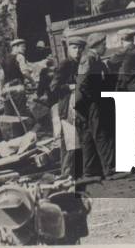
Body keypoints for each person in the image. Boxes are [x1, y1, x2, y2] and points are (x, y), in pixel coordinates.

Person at [76, 32, 115, 178]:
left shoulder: (93, 57)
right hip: (89, 102)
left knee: (88, 135)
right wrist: (94, 99)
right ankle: (110, 169)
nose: (105, 47)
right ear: (97, 45)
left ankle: (90, 171)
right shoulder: (89, 58)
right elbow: (84, 81)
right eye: (104, 45)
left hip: (86, 102)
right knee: (101, 133)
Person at [50, 37, 85, 177]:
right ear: (68, 49)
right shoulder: (65, 64)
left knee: (68, 142)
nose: (77, 51)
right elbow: (53, 87)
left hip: (74, 104)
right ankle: (68, 173)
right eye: (74, 48)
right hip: (66, 106)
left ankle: (67, 172)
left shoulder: (79, 63)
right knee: (72, 140)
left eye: (79, 48)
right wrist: (71, 86)